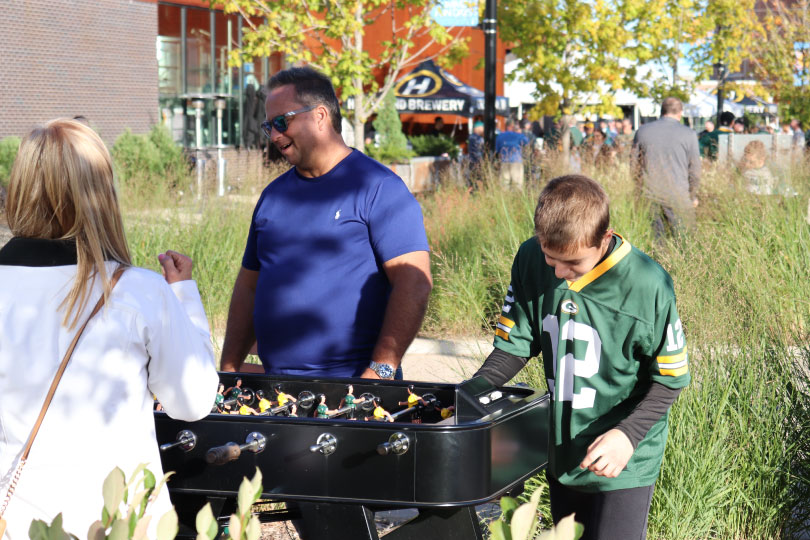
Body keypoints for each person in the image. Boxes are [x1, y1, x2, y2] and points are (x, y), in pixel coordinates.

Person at [0, 119, 218, 538]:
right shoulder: (138, 292)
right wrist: (185, 297)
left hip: (18, 523)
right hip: (120, 523)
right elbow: (192, 401)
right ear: (101, 194)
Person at [474, 174, 689, 540]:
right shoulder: (529, 258)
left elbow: (671, 378)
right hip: (562, 453)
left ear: (604, 239)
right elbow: (516, 344)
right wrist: (469, 392)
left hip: (624, 458)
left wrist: (627, 435)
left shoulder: (648, 284)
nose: (559, 272)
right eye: (550, 257)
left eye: (572, 262)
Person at [220, 67, 432, 380]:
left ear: (320, 116)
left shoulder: (378, 187)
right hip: (276, 387)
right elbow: (249, 287)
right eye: (269, 126)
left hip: (353, 391)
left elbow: (414, 283)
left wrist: (381, 371)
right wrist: (229, 368)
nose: (275, 135)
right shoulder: (273, 197)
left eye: (282, 122)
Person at [632, 97, 701, 235]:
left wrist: (639, 191)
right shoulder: (689, 134)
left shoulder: (643, 131)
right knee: (684, 243)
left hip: (650, 196)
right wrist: (692, 195)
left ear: (661, 111)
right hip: (679, 196)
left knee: (656, 244)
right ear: (680, 113)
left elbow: (634, 166)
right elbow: (694, 171)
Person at [495, 118, 530, 189]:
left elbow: (497, 150)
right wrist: (519, 132)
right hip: (516, 162)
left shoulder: (500, 136)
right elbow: (527, 142)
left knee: (504, 186)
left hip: (504, 161)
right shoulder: (518, 135)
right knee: (517, 186)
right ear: (512, 126)